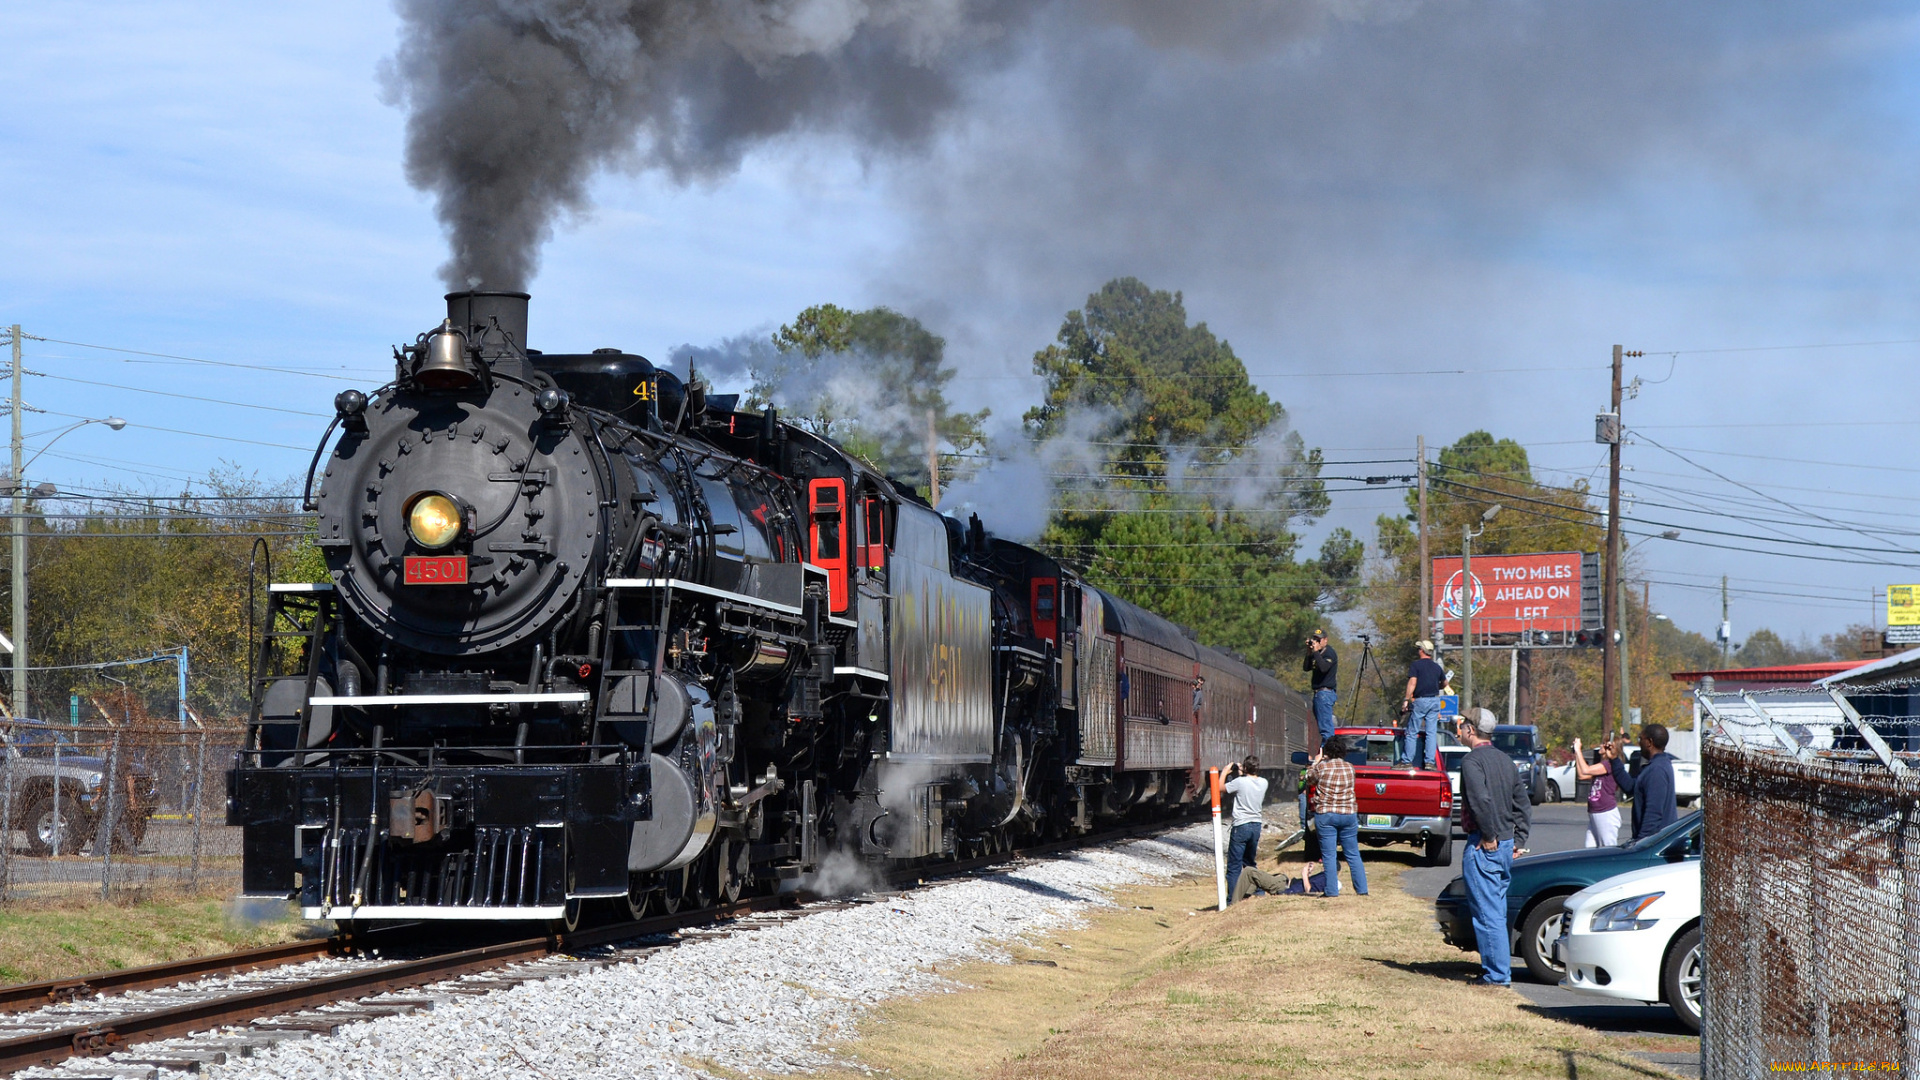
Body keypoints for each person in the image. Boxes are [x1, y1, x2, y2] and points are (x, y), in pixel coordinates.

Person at [1457, 707, 1531, 986]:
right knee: (1496, 912)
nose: (1460, 728)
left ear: (1472, 730)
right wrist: (1519, 840)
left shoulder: (1472, 761)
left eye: (1463, 724)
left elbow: (1480, 801)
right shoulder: (1505, 761)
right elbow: (1522, 805)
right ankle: (1498, 971)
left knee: (1487, 915)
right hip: (1505, 843)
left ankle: (1497, 976)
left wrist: (1488, 836)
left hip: (1484, 844)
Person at [1303, 736, 1367, 898]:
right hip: (1348, 813)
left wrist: (1316, 762)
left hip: (1326, 814)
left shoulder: (1322, 767)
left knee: (1329, 854)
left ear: (1327, 752)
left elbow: (1309, 780)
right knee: (1353, 853)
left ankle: (1331, 891)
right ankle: (1362, 889)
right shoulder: (1350, 768)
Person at [1607, 723, 1678, 842]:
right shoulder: (1655, 765)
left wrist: (1641, 844)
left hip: (1655, 845)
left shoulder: (1657, 770)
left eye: (1641, 738)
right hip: (1651, 843)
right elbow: (1630, 787)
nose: (1639, 742)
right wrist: (1614, 759)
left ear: (1649, 742)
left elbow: (1653, 814)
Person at [1220, 756, 1267, 902]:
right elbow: (1247, 783)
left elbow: (1220, 788)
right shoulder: (1264, 782)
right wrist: (1243, 772)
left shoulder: (1240, 782)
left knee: (1234, 866)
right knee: (1249, 862)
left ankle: (1232, 900)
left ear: (1245, 768)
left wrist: (1224, 772)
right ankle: (1259, 892)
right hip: (1256, 825)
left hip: (1241, 826)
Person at [1400, 640, 1446, 768]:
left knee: (1412, 732)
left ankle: (1407, 761)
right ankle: (1430, 762)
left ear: (1422, 650)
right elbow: (1445, 683)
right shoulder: (1437, 667)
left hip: (1421, 700)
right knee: (1431, 732)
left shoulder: (1416, 665)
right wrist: (1438, 685)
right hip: (1435, 700)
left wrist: (1406, 699)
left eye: (1419, 648)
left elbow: (1412, 683)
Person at [1571, 736, 1621, 847]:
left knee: (1608, 849)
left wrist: (1579, 750)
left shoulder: (1608, 765)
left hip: (1606, 813)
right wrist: (1576, 753)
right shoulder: (1602, 764)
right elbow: (1582, 775)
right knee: (1590, 849)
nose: (1601, 745)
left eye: (1605, 744)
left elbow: (1586, 770)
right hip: (1595, 813)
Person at [1302, 631, 1339, 745]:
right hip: (1318, 694)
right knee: (1322, 726)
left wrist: (1316, 652)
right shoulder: (1316, 653)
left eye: (1319, 640)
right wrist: (1309, 653)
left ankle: (1330, 753)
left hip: (1325, 693)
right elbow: (1306, 668)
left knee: (1326, 729)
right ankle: (1326, 751)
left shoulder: (1329, 654)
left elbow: (1323, 668)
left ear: (1325, 640)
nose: (1316, 642)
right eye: (1315, 639)